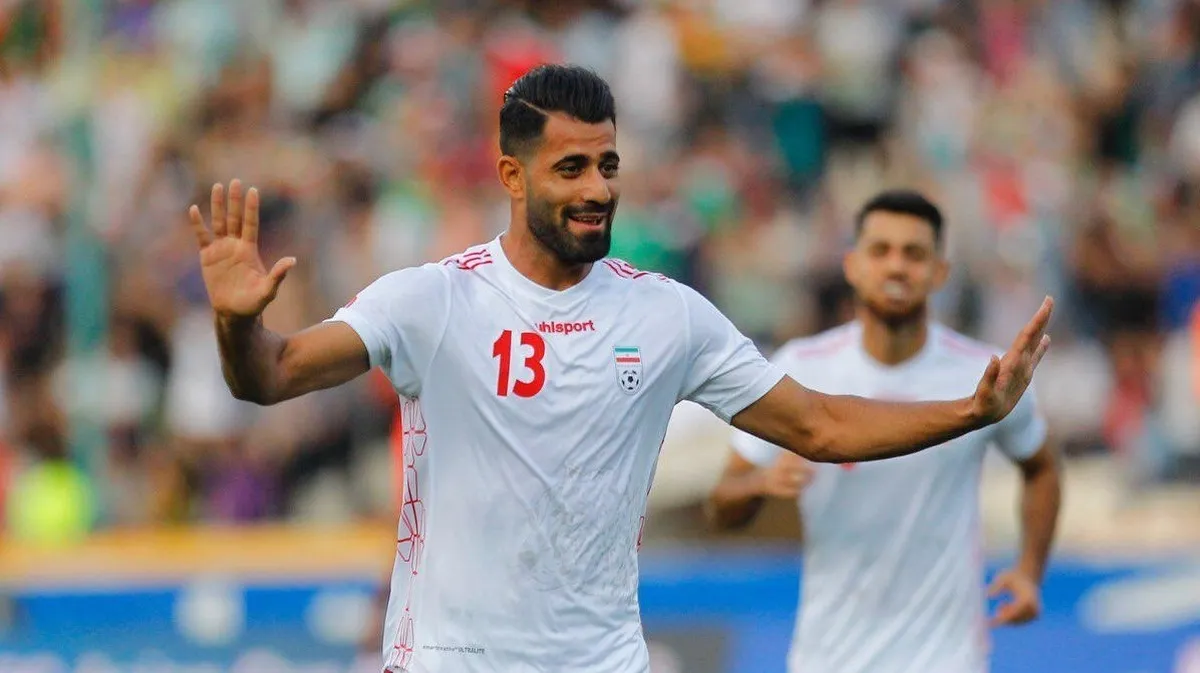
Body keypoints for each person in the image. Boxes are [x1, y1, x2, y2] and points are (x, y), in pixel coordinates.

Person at [185, 65, 1053, 673]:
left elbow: (821, 425)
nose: (598, 188)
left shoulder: (667, 315)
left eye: (607, 165)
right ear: (511, 175)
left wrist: (970, 411)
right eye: (570, 168)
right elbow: (270, 376)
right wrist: (235, 322)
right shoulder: (432, 300)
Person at [706, 189, 1063, 673]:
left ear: (940, 272)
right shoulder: (800, 369)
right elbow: (722, 506)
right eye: (881, 250)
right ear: (852, 265)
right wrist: (759, 484)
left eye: (914, 254)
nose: (896, 266)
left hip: (946, 656)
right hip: (829, 656)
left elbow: (1041, 465)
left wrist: (1030, 570)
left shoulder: (985, 375)